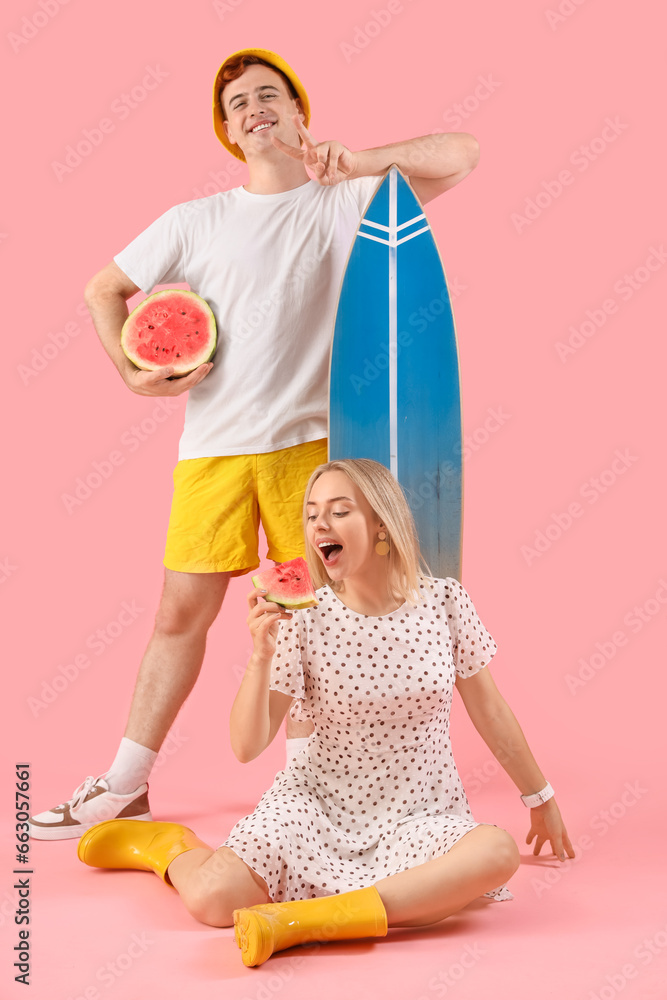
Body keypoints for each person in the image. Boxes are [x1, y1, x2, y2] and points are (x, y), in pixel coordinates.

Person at [30, 50, 481, 840]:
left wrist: (363, 159)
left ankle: (310, 794)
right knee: (179, 613)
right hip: (210, 448)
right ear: (228, 132)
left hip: (311, 450)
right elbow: (104, 289)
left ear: (300, 110)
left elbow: (462, 154)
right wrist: (132, 370)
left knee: (315, 622)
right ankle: (126, 782)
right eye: (237, 104)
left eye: (269, 94)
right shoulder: (191, 220)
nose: (253, 108)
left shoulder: (349, 201)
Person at [77, 458, 574, 968]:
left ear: (381, 524)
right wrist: (260, 654)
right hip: (316, 806)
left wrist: (541, 796)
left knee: (497, 853)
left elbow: (490, 709)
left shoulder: (445, 601)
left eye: (339, 511)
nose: (319, 525)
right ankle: (167, 846)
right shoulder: (305, 619)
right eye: (312, 514)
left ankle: (295, 924)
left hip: (420, 813)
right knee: (210, 899)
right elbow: (247, 747)